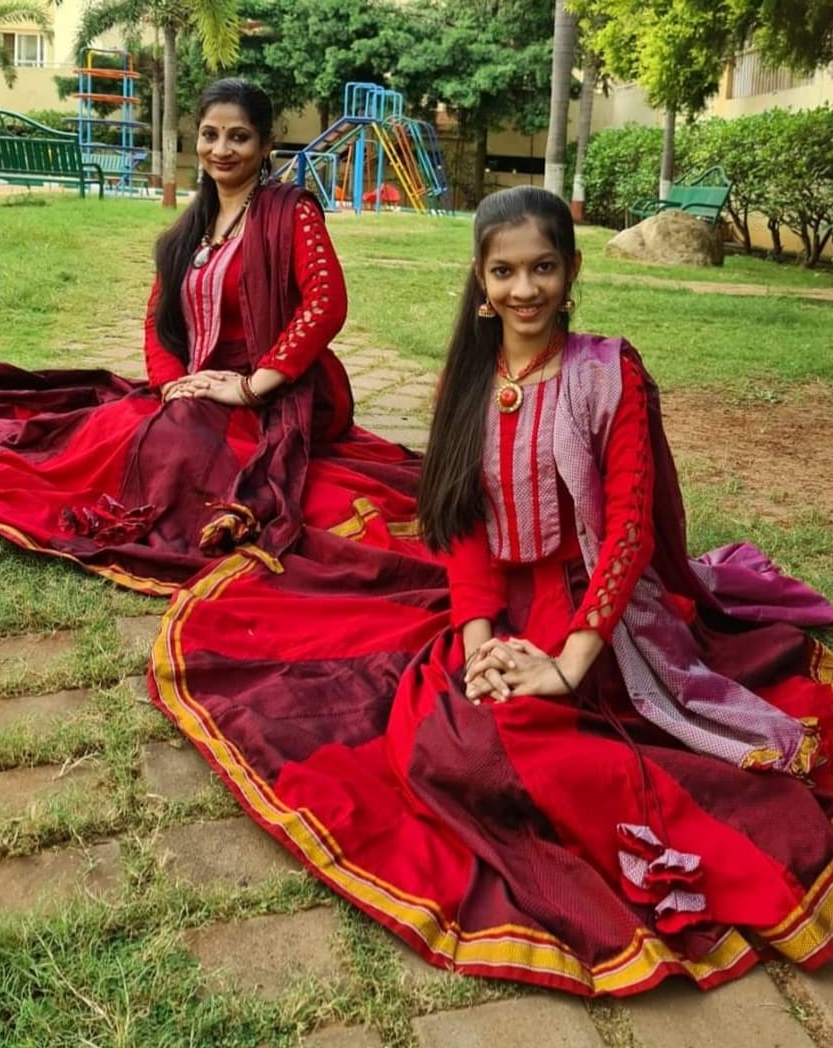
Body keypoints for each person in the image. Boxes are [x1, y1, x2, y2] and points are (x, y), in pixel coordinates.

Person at [149, 186, 833, 997]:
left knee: (517, 736)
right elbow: (462, 530)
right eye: (504, 271)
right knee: (439, 734)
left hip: (599, 610)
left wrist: (568, 664)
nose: (524, 289)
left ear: (571, 273)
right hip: (501, 602)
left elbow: (626, 534)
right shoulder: (465, 383)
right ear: (480, 282)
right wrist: (478, 643)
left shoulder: (609, 372)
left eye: (542, 268)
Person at [0, 78, 431, 593]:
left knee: (179, 439)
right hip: (200, 383)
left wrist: (249, 386)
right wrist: (172, 383)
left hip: (281, 390)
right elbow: (158, 318)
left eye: (238, 137)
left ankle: (190, 517)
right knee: (119, 426)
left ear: (265, 145)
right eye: (209, 134)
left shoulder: (291, 212)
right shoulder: (191, 227)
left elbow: (326, 303)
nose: (221, 150)